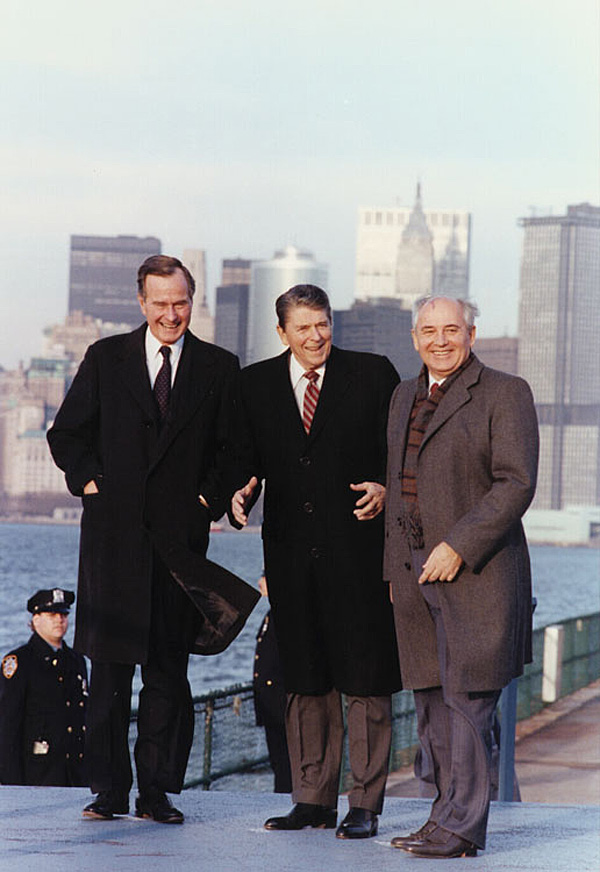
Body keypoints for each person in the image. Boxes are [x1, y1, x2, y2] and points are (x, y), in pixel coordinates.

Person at [47, 255, 257, 824]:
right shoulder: (104, 358)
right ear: (141, 303)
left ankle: (156, 793)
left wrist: (207, 501)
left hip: (178, 547)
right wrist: (91, 483)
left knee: (168, 673)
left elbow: (235, 450)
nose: (171, 314)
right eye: (160, 303)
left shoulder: (218, 366)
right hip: (112, 544)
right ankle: (109, 792)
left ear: (194, 300)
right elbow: (65, 434)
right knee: (110, 677)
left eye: (181, 302)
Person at [231, 284, 401, 840]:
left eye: (323, 324)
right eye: (303, 327)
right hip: (289, 557)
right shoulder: (254, 384)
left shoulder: (374, 374)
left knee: (365, 679)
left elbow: (400, 456)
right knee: (305, 679)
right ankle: (311, 799)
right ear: (281, 333)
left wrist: (384, 487)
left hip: (358, 554)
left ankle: (366, 801)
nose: (316, 336)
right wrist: (239, 491)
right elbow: (244, 460)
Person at [384, 295, 538, 859]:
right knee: (431, 706)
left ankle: (463, 828)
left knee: (468, 705)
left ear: (472, 333)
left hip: (477, 576)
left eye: (452, 329)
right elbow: (406, 478)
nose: (441, 340)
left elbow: (515, 483)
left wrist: (458, 545)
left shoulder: (505, 392)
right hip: (412, 576)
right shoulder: (404, 394)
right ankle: (441, 815)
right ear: (414, 336)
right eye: (429, 331)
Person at [0, 588, 87, 786]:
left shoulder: (76, 660)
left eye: (63, 614)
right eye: (52, 615)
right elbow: (8, 727)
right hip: (37, 775)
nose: (59, 620)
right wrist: (11, 784)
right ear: (36, 620)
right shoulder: (20, 662)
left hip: (75, 774)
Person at [253, 576, 292, 794]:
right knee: (278, 763)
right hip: (269, 704)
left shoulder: (282, 616)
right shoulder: (272, 615)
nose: (260, 582)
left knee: (285, 764)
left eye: (265, 577)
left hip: (279, 704)